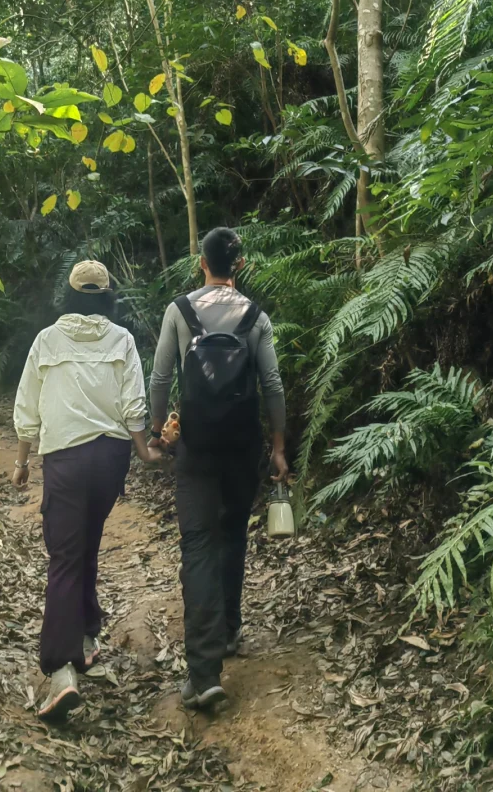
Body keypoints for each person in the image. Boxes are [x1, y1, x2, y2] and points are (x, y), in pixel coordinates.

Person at [13, 259, 162, 721]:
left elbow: (27, 404)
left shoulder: (47, 340)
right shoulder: (122, 339)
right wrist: (144, 450)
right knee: (86, 542)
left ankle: (61, 673)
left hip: (66, 459)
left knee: (65, 556)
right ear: (107, 296)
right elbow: (134, 403)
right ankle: (88, 632)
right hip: (109, 459)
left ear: (71, 295)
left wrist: (22, 460)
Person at [149, 226, 288, 711]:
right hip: (242, 445)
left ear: (200, 264)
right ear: (241, 265)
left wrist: (157, 431)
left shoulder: (179, 311)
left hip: (198, 447)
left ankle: (205, 672)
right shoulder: (256, 317)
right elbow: (272, 385)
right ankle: (229, 631)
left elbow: (161, 375)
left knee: (199, 545)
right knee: (232, 535)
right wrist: (277, 447)